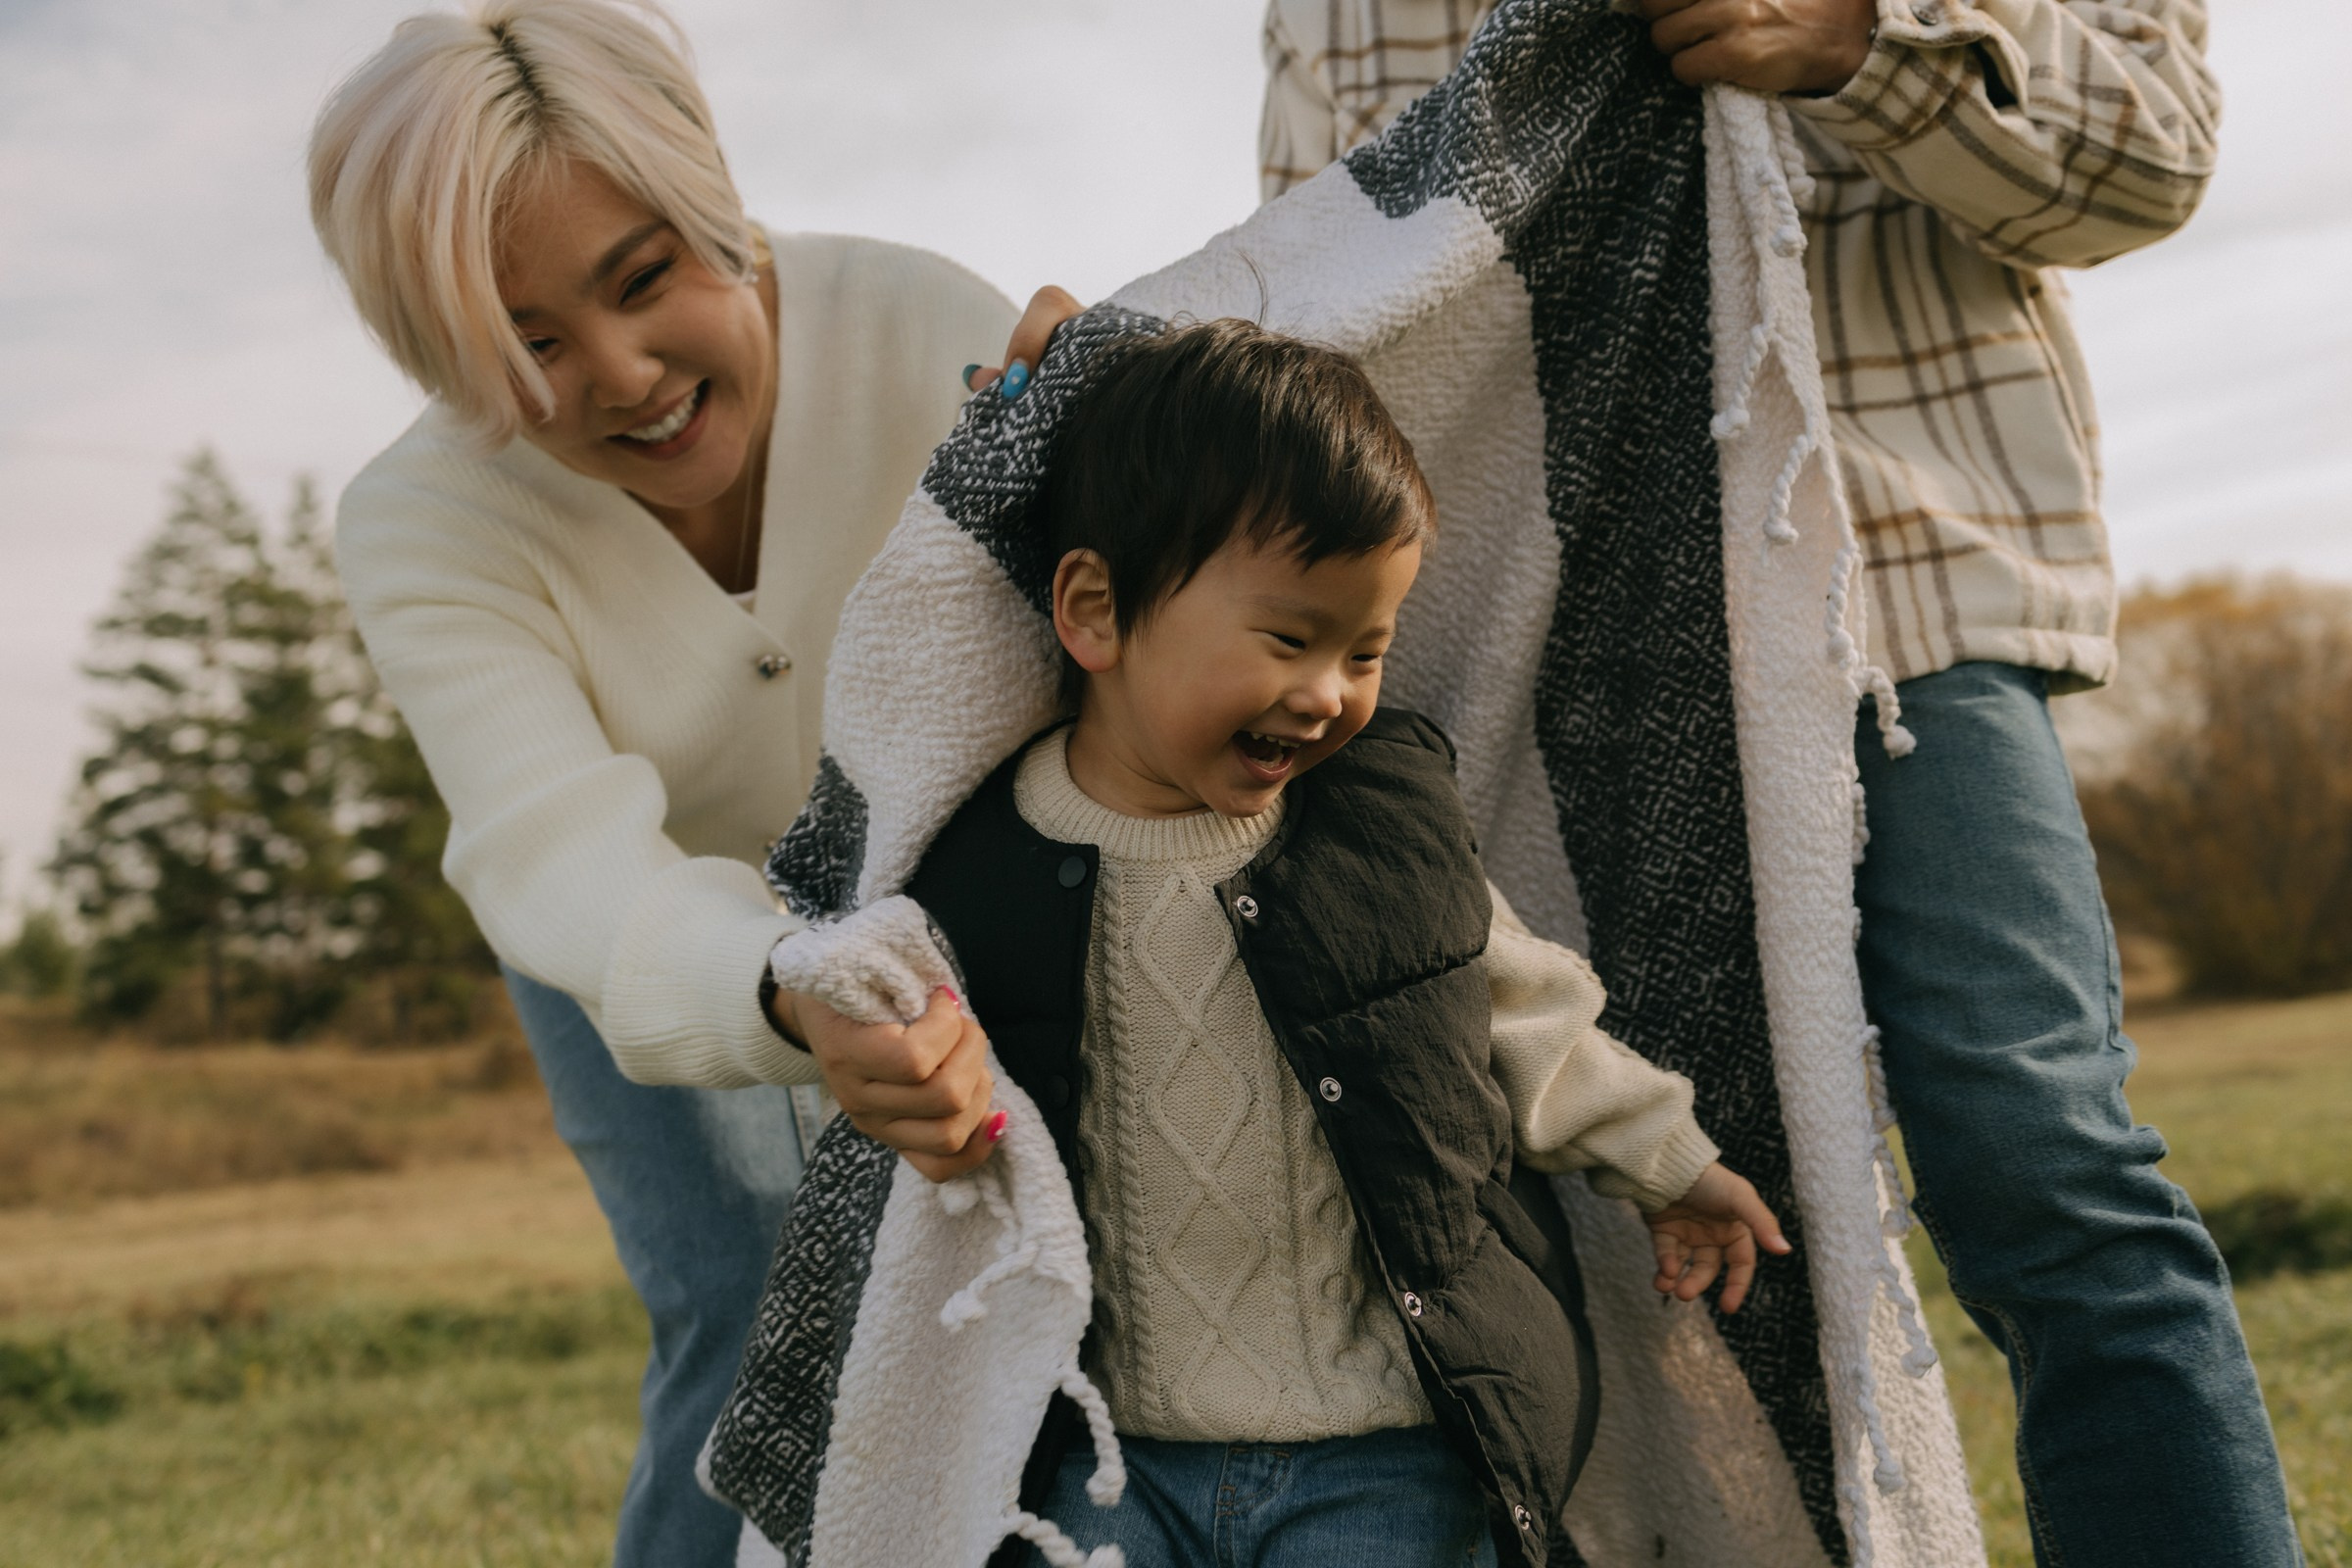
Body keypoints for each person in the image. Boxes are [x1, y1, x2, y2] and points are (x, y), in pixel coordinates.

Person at [1259, 2, 2303, 1564]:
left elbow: (2149, 156)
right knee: (1598, 1239)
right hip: (1551, 656)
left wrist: (1864, 42)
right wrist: (1145, 385)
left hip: (1901, 600)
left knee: (2043, 1160)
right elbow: (1326, 291)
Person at [766, 319, 1791, 1567]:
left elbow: (1527, 1019)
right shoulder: (977, 861)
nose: (1329, 694)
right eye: (1290, 638)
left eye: (1367, 650)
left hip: (1383, 1446)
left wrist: (1668, 1161)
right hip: (1105, 1453)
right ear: (1094, 610)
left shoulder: (1381, 823)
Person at [304, 3, 1069, 1561]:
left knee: (1023, 1287)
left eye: (644, 280)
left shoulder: (930, 328)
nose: (623, 376)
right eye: (521, 347)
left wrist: (1129, 441)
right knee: (742, 1300)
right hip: (637, 940)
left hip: (942, 877)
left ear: (708, 189)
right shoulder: (423, 523)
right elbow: (562, 856)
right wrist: (785, 988)